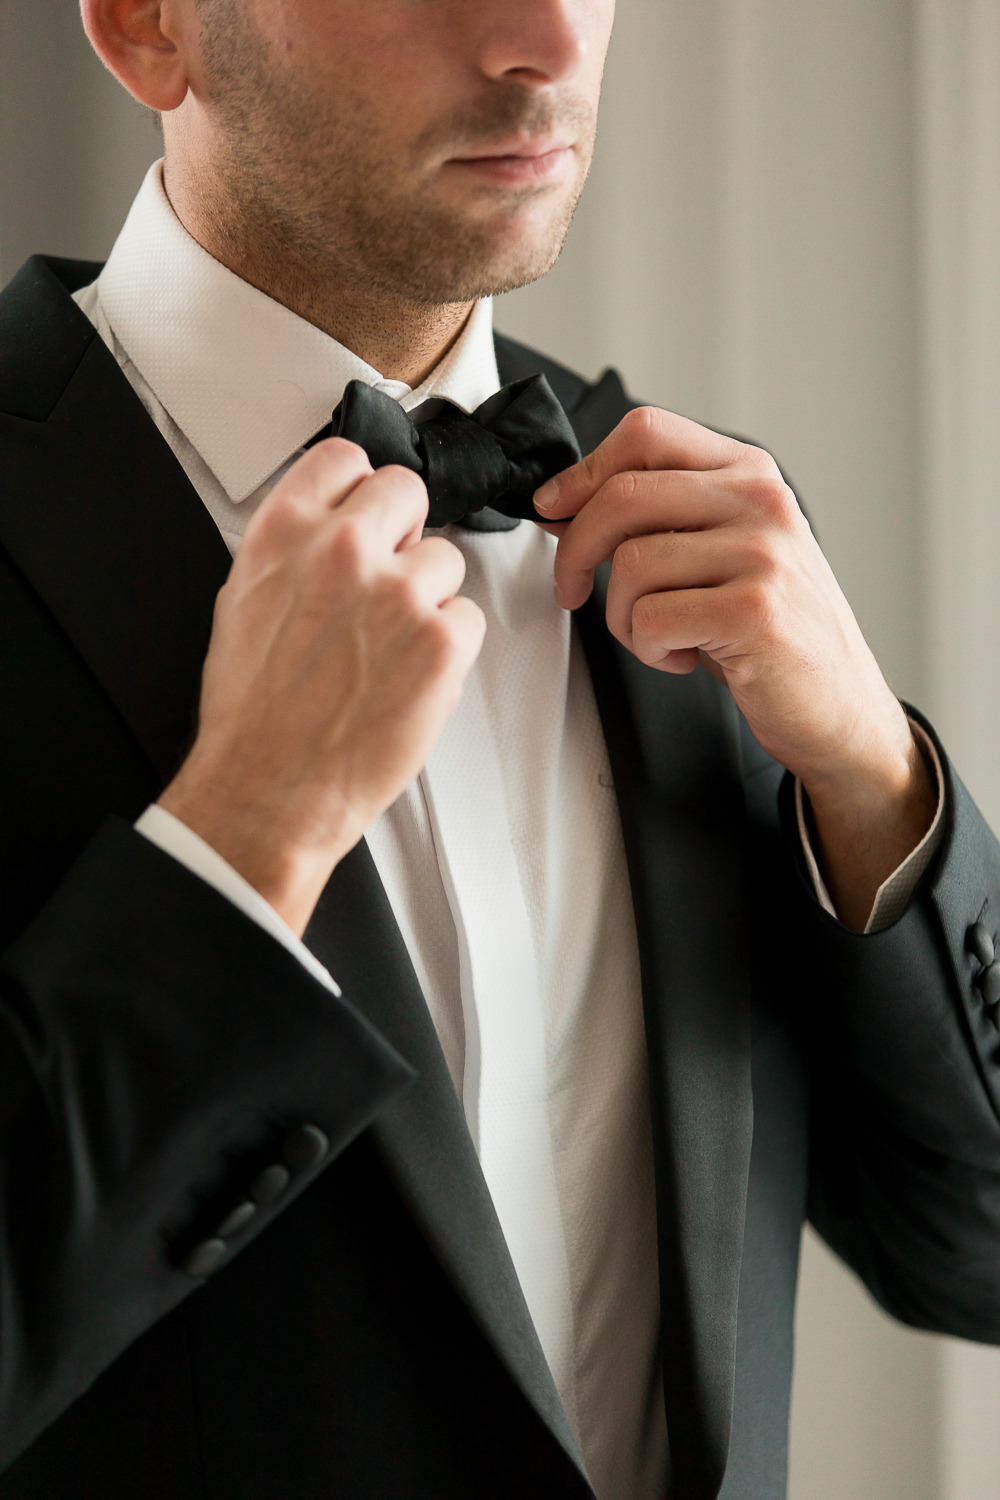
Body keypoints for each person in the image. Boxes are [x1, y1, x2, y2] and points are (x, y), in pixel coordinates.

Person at [1, 0, 998, 1495]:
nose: (550, 39)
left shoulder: (708, 543)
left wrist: (872, 778)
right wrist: (245, 835)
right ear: (149, 24)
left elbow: (977, 1260)